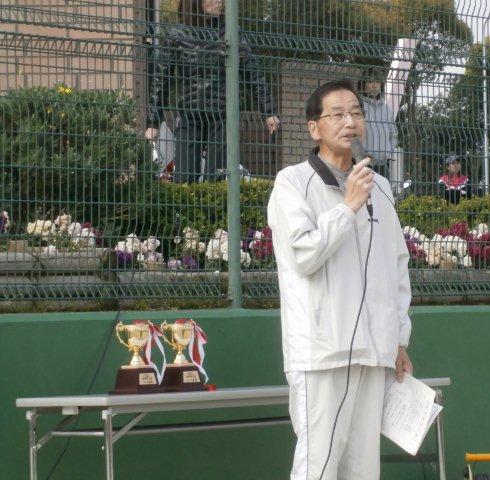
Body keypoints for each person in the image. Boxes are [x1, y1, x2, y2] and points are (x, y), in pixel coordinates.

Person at [267, 79, 413, 480]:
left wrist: (399, 339)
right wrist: (348, 207)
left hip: (374, 351)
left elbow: (396, 267)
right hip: (322, 353)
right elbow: (303, 255)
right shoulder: (292, 183)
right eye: (337, 114)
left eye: (356, 113)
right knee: (318, 465)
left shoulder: (380, 187)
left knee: (363, 469)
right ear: (314, 128)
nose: (350, 122)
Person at [145, 0, 280, 183]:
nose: (220, 1)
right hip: (189, 115)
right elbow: (161, 79)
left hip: (221, 116)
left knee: (215, 178)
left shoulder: (230, 32)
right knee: (184, 178)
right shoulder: (177, 34)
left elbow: (252, 73)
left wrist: (268, 111)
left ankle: (215, 201)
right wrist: (153, 122)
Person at [359, 68, 397, 179]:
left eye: (377, 82)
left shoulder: (387, 109)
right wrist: (359, 155)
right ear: (363, 85)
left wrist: (388, 152)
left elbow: (393, 134)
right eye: (370, 81)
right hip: (362, 163)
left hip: (383, 165)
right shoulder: (358, 106)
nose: (374, 85)